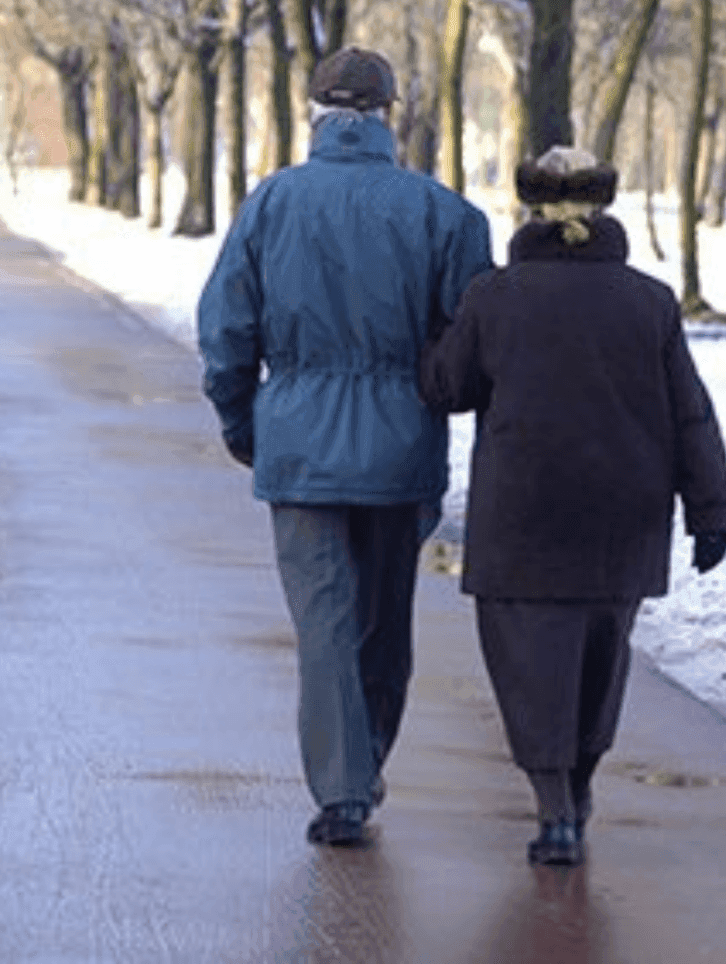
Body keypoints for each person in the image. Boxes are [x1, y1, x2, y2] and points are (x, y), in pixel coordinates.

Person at [197, 46, 494, 847]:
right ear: (389, 115)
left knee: (322, 623)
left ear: (317, 114)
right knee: (383, 621)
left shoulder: (271, 204)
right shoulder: (446, 214)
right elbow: (472, 344)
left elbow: (226, 329)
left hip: (297, 442)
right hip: (400, 449)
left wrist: (241, 421)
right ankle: (363, 764)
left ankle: (342, 788)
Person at [419, 146, 726, 867]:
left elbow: (446, 387)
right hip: (624, 517)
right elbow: (691, 415)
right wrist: (712, 511)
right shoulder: (648, 301)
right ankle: (579, 787)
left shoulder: (495, 297)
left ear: (530, 210)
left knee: (530, 666)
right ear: (604, 206)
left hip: (522, 516)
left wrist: (431, 332)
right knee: (600, 659)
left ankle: (554, 804)